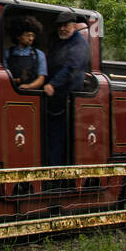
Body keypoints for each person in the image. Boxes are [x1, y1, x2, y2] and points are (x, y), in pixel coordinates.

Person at [43, 11, 90, 166]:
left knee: (59, 135)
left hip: (69, 96)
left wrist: (52, 84)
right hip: (56, 96)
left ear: (74, 26)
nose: (62, 29)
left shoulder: (79, 43)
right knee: (51, 133)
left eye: (66, 25)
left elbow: (72, 68)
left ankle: (56, 171)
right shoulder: (59, 42)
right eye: (60, 26)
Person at [4, 16, 46, 90]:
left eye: (33, 35)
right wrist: (17, 81)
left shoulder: (39, 55)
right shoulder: (7, 54)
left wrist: (29, 86)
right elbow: (3, 77)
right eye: (28, 35)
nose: (31, 38)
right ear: (18, 36)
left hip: (30, 94)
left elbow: (41, 79)